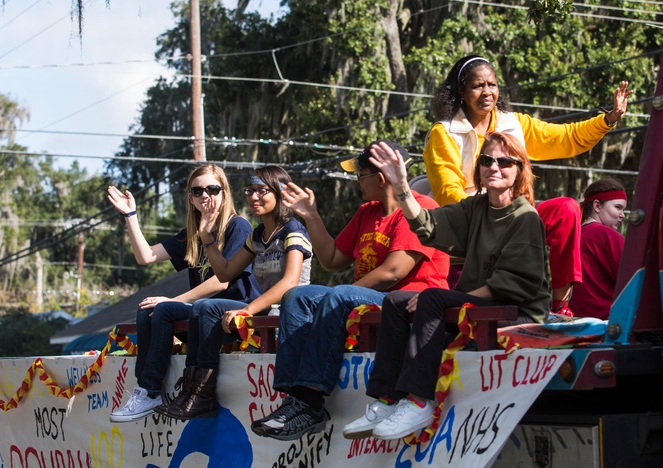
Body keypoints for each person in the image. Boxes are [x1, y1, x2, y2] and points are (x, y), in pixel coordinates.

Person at [343, 133, 550, 440]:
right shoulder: (476, 208)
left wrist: (450, 299)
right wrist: (401, 186)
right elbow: (428, 225)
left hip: (517, 312)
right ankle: (387, 398)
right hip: (480, 305)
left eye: (505, 161)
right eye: (486, 160)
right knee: (397, 300)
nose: (494, 167)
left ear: (519, 170)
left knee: (433, 298)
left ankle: (419, 400)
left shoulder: (525, 217)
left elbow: (511, 286)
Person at [250, 141, 451, 441]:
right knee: (297, 296)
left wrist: (339, 295)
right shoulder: (367, 212)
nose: (357, 181)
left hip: (405, 302)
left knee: (337, 295)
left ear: (380, 177)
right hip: (365, 298)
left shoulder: (421, 208)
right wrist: (312, 216)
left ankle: (311, 400)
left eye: (360, 174)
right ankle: (295, 398)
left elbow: (393, 272)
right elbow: (331, 259)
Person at [422, 55, 632, 314]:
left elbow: (566, 138)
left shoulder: (513, 123)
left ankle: (559, 306)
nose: (487, 92)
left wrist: (608, 119)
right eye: (478, 86)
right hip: (473, 222)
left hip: (518, 218)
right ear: (461, 92)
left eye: (493, 85)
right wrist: (490, 212)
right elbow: (447, 191)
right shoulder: (444, 132)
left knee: (566, 209)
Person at [153, 165, 314, 420]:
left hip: (288, 317)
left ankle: (202, 395)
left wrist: (247, 309)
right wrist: (207, 239)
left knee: (206, 307)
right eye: (250, 191)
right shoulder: (258, 234)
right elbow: (226, 273)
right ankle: (191, 390)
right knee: (200, 307)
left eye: (261, 191)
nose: (253, 197)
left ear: (281, 193)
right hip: (262, 316)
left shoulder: (293, 230)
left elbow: (289, 283)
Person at [108, 165, 256, 422]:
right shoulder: (193, 232)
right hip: (199, 313)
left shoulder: (237, 226)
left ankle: (153, 388)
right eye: (197, 191)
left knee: (163, 308)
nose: (205, 196)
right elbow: (145, 256)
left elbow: (222, 282)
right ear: (190, 197)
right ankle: (146, 391)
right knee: (148, 309)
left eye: (212, 189)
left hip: (233, 310)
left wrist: (173, 300)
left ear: (224, 192)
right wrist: (131, 216)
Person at [575, 177, 627, 320]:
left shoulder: (573, 235)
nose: (622, 215)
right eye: (618, 207)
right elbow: (630, 279)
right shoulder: (607, 236)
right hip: (606, 324)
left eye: (624, 209)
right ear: (597, 206)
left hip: (574, 322)